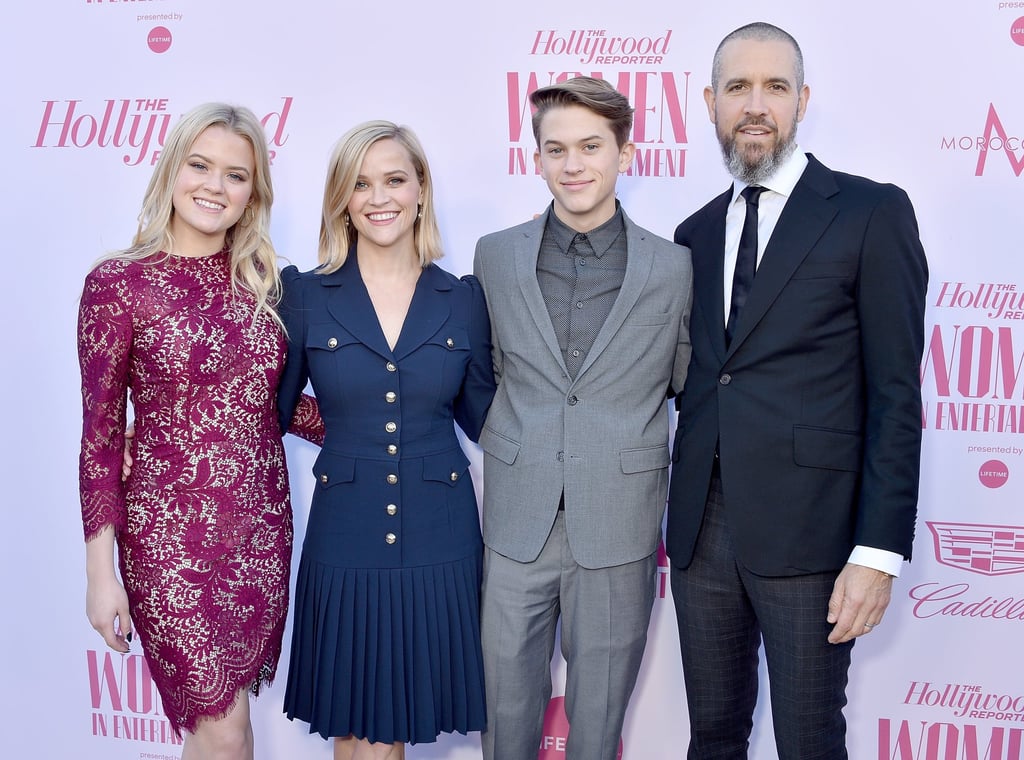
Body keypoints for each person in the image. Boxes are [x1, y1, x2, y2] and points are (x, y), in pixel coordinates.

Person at [666, 22, 928, 759]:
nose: (756, 105)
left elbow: (897, 395)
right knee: (712, 736)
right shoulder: (695, 233)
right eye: (738, 88)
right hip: (701, 530)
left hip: (815, 537)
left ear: (802, 100)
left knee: (808, 741)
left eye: (775, 87)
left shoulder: (869, 212)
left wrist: (877, 552)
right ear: (710, 103)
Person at [78, 102, 320, 759]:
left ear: (253, 192)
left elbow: (281, 406)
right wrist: (102, 576)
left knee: (222, 730)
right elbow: (101, 437)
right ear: (172, 170)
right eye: (201, 166)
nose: (215, 185)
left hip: (259, 531)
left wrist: (393, 421)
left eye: (236, 175)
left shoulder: (271, 287)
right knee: (222, 728)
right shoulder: (117, 284)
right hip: (168, 541)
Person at [472, 76, 693, 760]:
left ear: (625, 153)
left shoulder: (675, 266)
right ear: (536, 158)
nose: (574, 165)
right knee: (504, 717)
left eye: (591, 146)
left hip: (618, 521)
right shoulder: (496, 255)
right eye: (556, 148)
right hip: (516, 521)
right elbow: (489, 372)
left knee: (598, 725)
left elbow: (681, 379)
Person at [276, 120, 496, 760]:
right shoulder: (305, 294)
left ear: (421, 190)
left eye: (395, 179)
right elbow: (270, 410)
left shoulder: (464, 299)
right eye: (361, 183)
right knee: (361, 734)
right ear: (341, 198)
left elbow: (484, 418)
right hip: (346, 534)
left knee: (393, 733)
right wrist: (160, 426)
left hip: (442, 531)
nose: (380, 197)